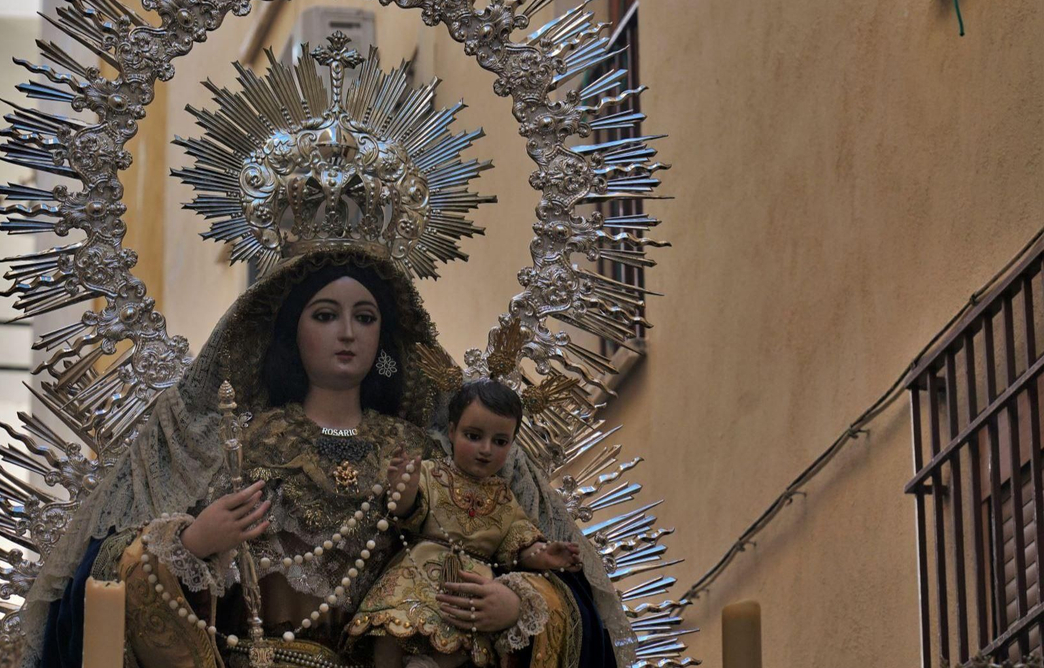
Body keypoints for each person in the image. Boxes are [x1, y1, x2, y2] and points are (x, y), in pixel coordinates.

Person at [33, 252, 631, 668]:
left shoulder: (429, 456)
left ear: (384, 336)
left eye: (364, 318)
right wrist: (191, 544)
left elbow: (511, 550)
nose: (347, 332)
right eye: (325, 315)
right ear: (294, 334)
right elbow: (115, 574)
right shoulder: (242, 446)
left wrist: (515, 604)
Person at [348, 379, 585, 668]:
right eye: (473, 436)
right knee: (389, 632)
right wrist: (404, 489)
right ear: (452, 432)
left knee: (459, 647)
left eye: (500, 442)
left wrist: (543, 555)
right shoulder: (430, 472)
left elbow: (517, 542)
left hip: (470, 590)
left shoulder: (505, 498)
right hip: (417, 573)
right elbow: (407, 513)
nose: (486, 449)